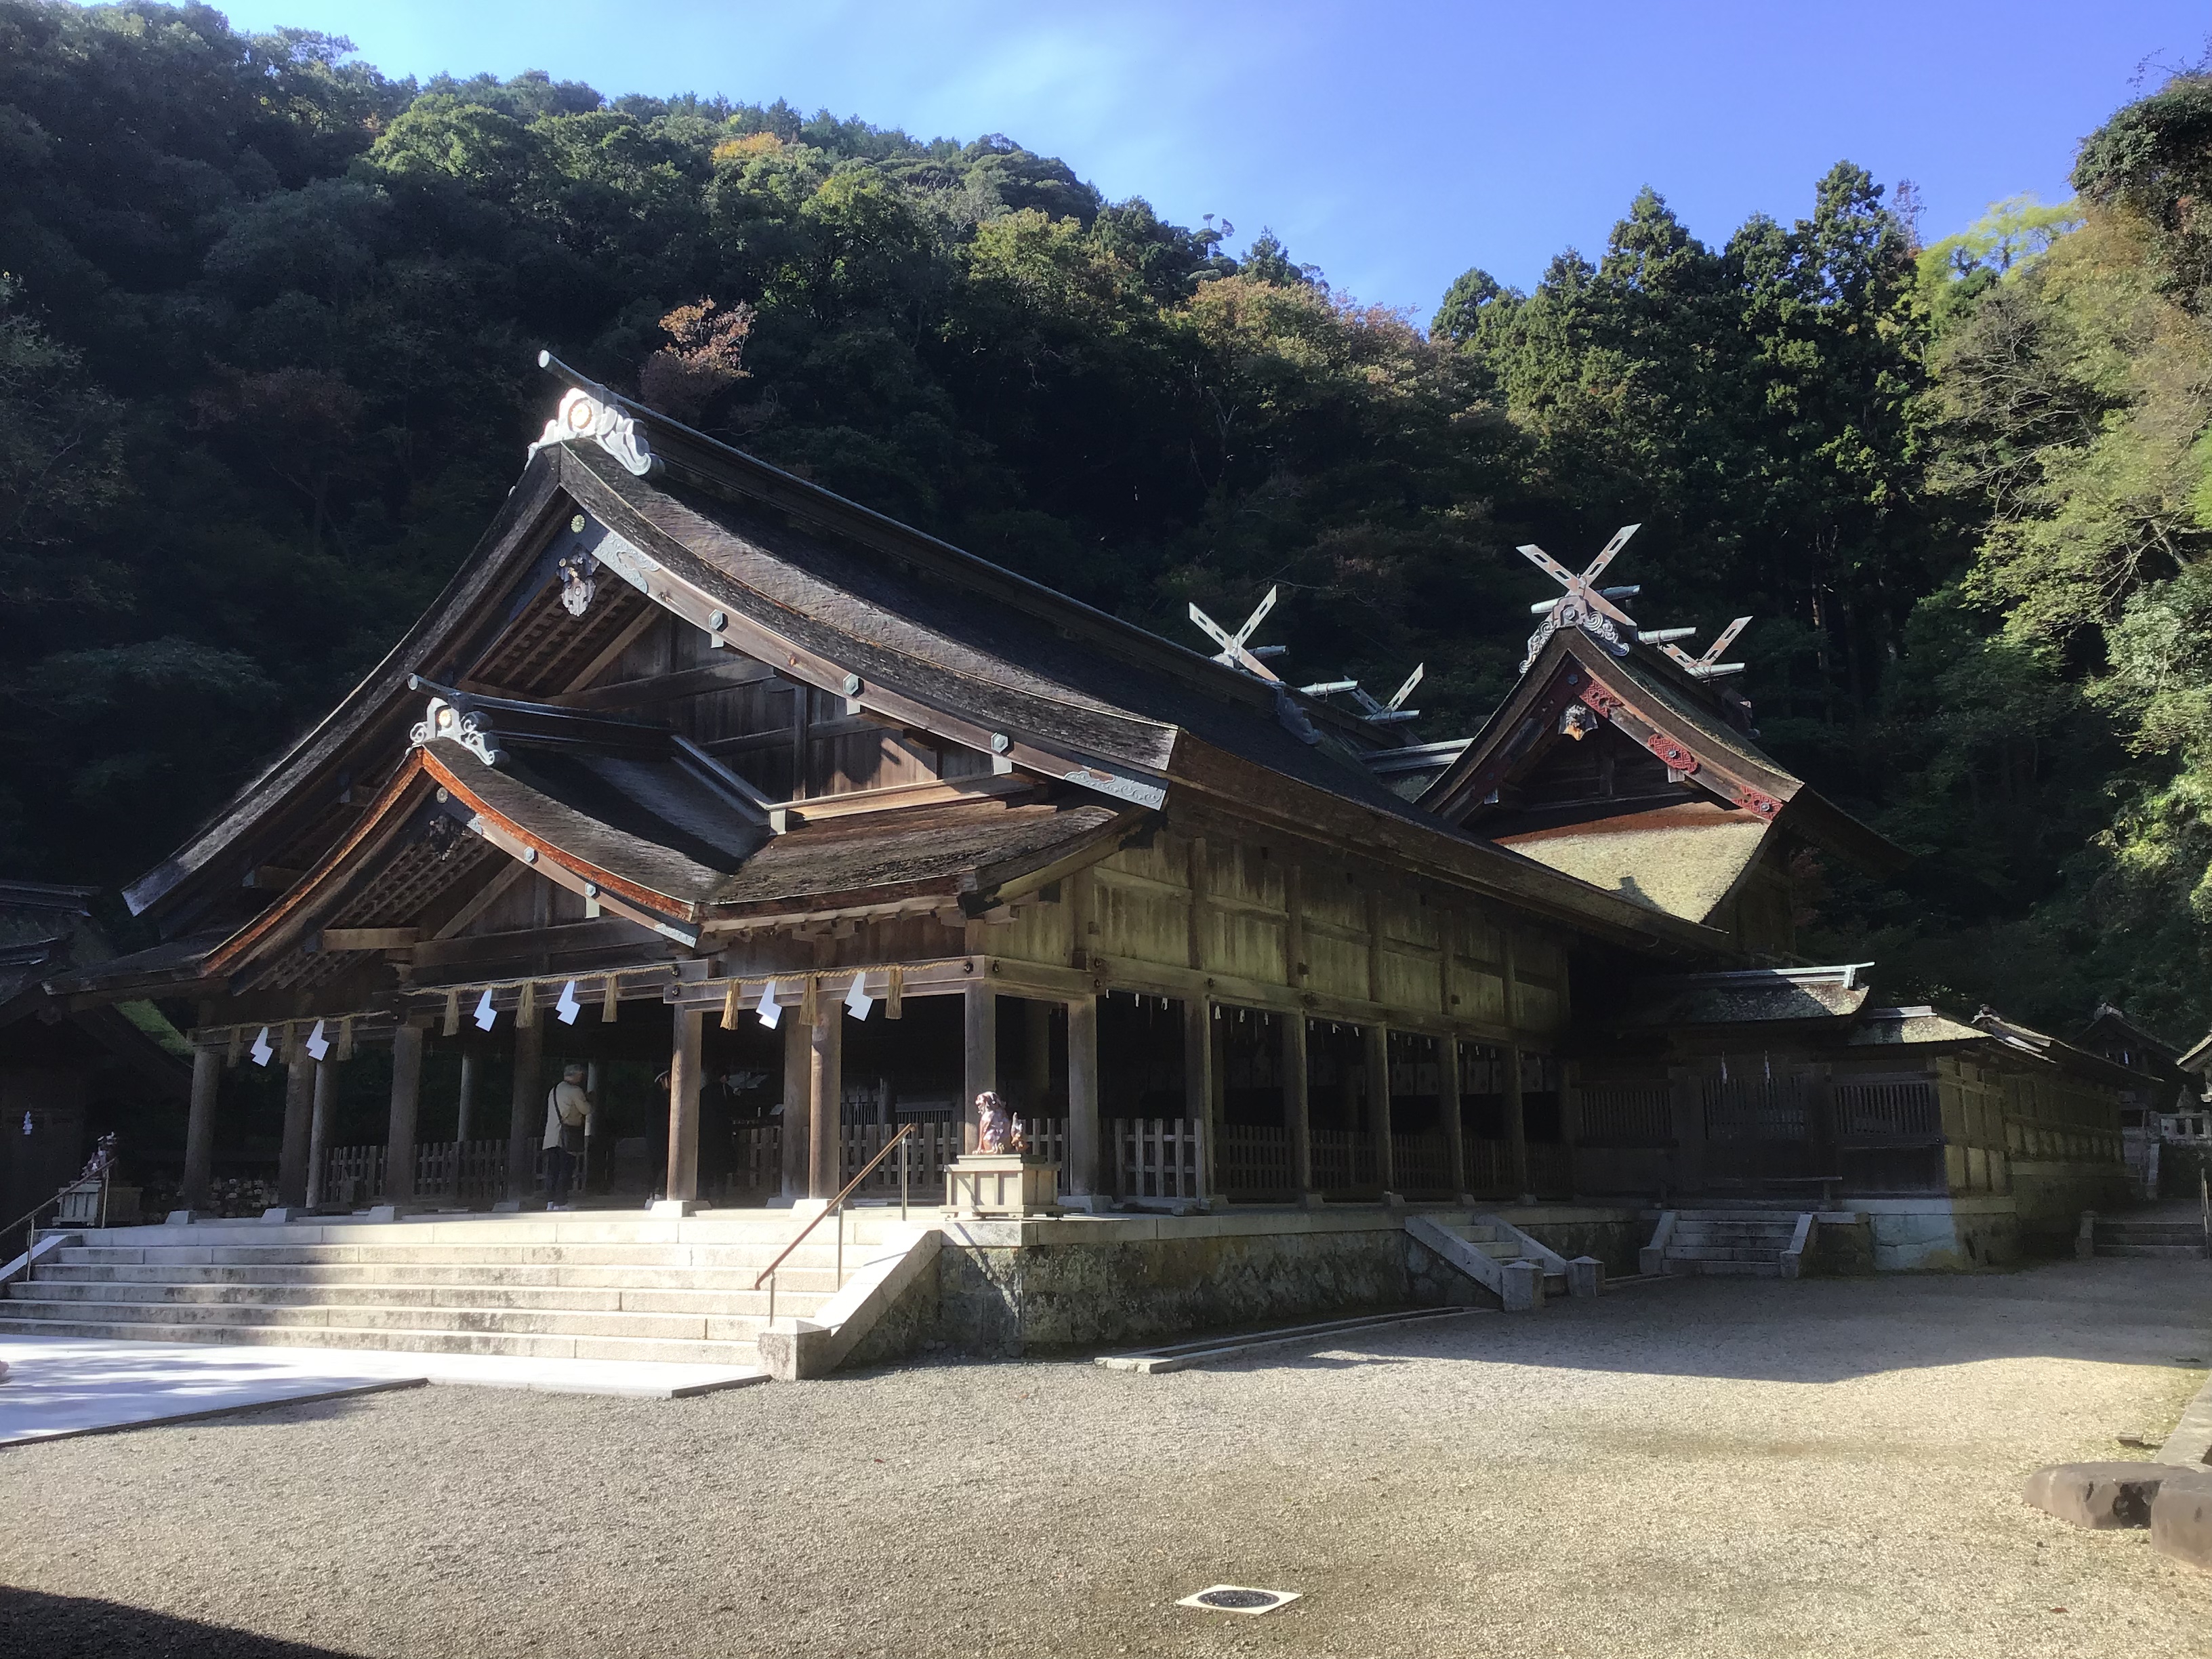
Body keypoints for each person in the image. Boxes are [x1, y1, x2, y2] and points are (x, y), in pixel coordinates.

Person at [543, 1063, 590, 1208]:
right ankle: (561, 1202)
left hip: (551, 1136)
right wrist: (590, 1101)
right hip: (565, 1137)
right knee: (566, 1169)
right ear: (576, 1075)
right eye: (581, 1075)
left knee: (553, 1170)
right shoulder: (575, 1090)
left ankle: (550, 1202)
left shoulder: (554, 1090)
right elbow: (586, 1109)